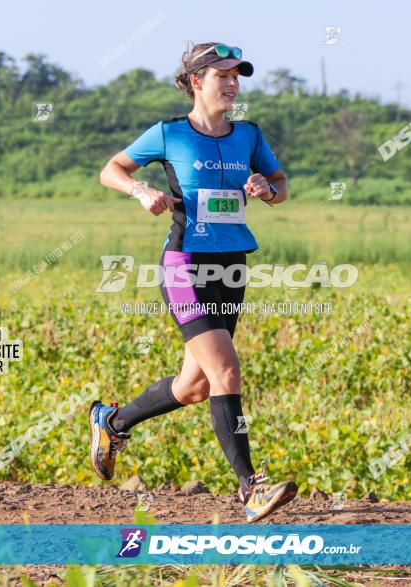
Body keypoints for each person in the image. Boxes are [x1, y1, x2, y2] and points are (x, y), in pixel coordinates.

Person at [93, 41, 296, 523]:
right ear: (195, 81)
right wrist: (142, 190)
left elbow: (281, 182)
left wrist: (268, 190)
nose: (231, 84)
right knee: (226, 370)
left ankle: (112, 421)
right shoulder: (168, 134)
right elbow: (112, 169)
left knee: (193, 388)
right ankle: (251, 490)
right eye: (221, 75)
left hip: (232, 266)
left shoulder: (249, 135)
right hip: (184, 265)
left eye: (236, 76)